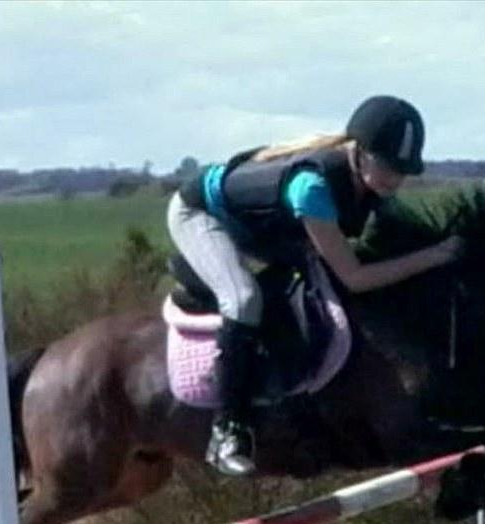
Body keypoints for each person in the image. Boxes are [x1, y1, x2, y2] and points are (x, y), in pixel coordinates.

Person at [168, 95, 464, 475]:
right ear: (360, 153)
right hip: (202, 215)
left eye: (402, 171)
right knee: (243, 300)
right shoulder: (313, 189)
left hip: (265, 228)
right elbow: (355, 278)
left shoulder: (367, 183)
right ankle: (229, 429)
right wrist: (436, 255)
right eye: (388, 166)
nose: (395, 179)